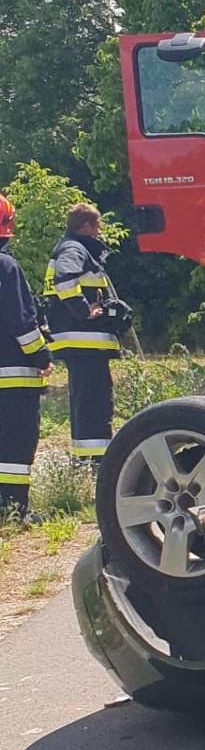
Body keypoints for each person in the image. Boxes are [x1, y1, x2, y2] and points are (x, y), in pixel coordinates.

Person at [43, 204, 120, 462]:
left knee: (88, 402)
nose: (98, 233)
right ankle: (95, 463)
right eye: (96, 226)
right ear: (86, 226)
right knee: (93, 404)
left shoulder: (72, 247)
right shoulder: (74, 249)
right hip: (83, 341)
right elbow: (64, 280)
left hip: (83, 345)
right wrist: (84, 310)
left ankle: (88, 460)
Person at [0, 194, 52, 516]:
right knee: (15, 445)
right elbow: (21, 323)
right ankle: (13, 510)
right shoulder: (6, 267)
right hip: (12, 377)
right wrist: (42, 356)